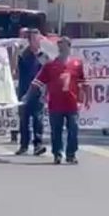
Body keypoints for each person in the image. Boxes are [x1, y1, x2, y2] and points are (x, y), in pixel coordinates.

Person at [27, 36, 85, 165]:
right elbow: (38, 81)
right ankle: (57, 154)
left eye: (64, 45)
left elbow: (82, 84)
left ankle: (71, 154)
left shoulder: (77, 64)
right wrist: (28, 95)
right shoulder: (50, 65)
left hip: (72, 103)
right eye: (60, 45)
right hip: (55, 104)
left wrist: (82, 100)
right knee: (56, 131)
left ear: (69, 47)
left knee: (73, 129)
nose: (61, 48)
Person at [15, 28, 47, 156]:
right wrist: (15, 54)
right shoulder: (23, 55)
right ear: (29, 41)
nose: (37, 41)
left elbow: (47, 73)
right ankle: (23, 145)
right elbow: (15, 72)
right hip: (24, 92)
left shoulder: (43, 56)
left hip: (38, 93)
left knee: (38, 120)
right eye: (34, 39)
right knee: (24, 120)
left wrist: (46, 92)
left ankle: (38, 145)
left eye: (38, 38)